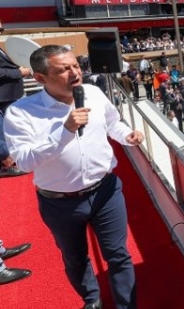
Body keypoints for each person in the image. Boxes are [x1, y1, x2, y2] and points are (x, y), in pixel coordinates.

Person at [4, 45, 145, 309]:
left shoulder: (92, 92)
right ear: (40, 78)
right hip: (59, 203)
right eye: (64, 69)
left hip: (105, 191)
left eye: (76, 66)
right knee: (75, 258)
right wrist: (64, 131)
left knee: (118, 255)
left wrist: (127, 136)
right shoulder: (20, 112)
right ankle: (92, 300)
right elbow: (23, 161)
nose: (74, 73)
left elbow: (113, 123)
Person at [0, 20, 32, 178]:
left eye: (2, 30)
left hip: (8, 95)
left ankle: (10, 159)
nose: (1, 33)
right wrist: (19, 73)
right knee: (1, 130)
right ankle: (6, 163)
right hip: (3, 96)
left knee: (8, 128)